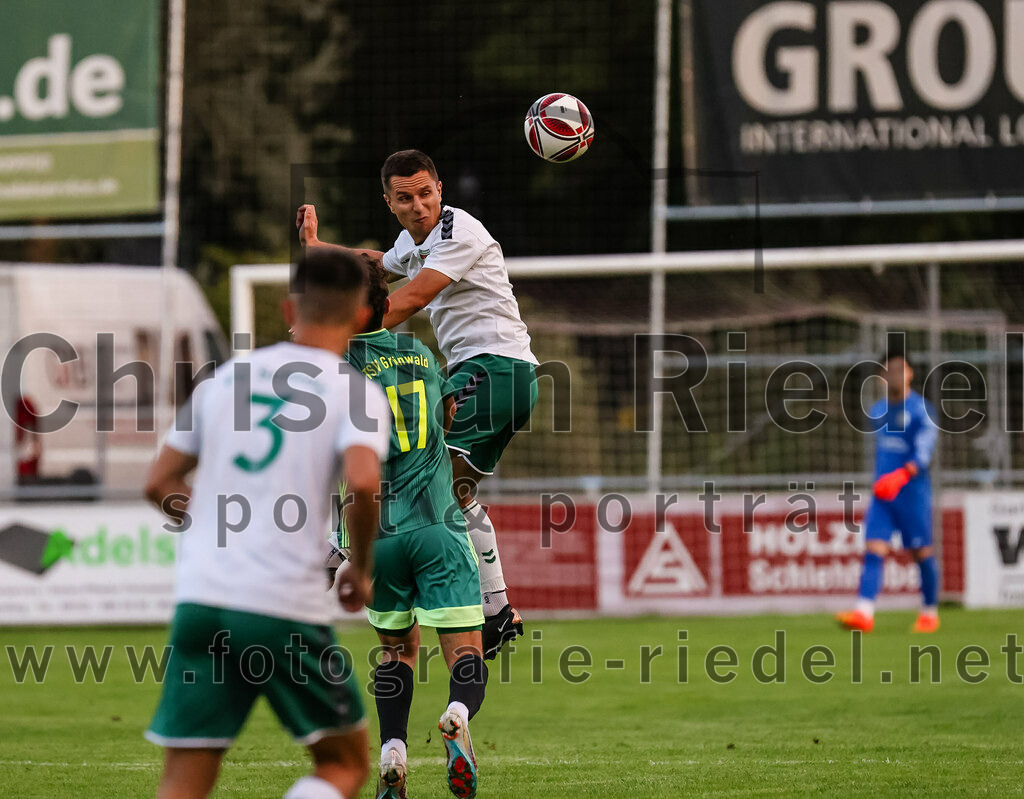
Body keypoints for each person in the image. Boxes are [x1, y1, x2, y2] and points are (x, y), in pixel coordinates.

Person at [143, 249, 391, 799]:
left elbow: (157, 483)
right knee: (344, 764)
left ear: (288, 309)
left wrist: (212, 521)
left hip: (199, 600)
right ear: (359, 316)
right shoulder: (355, 391)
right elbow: (365, 484)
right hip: (279, 604)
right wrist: (360, 566)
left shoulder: (224, 378)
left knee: (184, 776)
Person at [297, 149, 537, 659]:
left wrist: (331, 330)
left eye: (425, 194)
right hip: (482, 374)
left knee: (424, 479)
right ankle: (496, 610)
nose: (418, 206)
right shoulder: (414, 239)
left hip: (493, 367)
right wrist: (320, 248)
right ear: (390, 202)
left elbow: (404, 301)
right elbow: (378, 266)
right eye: (405, 198)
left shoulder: (459, 232)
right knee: (454, 488)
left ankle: (332, 552)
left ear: (440, 191)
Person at [328, 261, 487, 799]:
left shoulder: (338, 363)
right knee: (466, 652)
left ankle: (392, 753)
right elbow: (444, 417)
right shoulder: (419, 352)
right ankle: (458, 714)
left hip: (378, 535)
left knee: (397, 654)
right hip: (438, 524)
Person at [838, 353, 940, 634]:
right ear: (882, 377)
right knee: (873, 549)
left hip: (912, 494)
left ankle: (930, 613)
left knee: (921, 552)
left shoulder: (922, 410)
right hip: (883, 495)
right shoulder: (877, 411)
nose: (894, 375)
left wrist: (901, 475)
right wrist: (885, 479)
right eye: (888, 371)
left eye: (899, 369)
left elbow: (924, 451)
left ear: (910, 373)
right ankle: (864, 613)